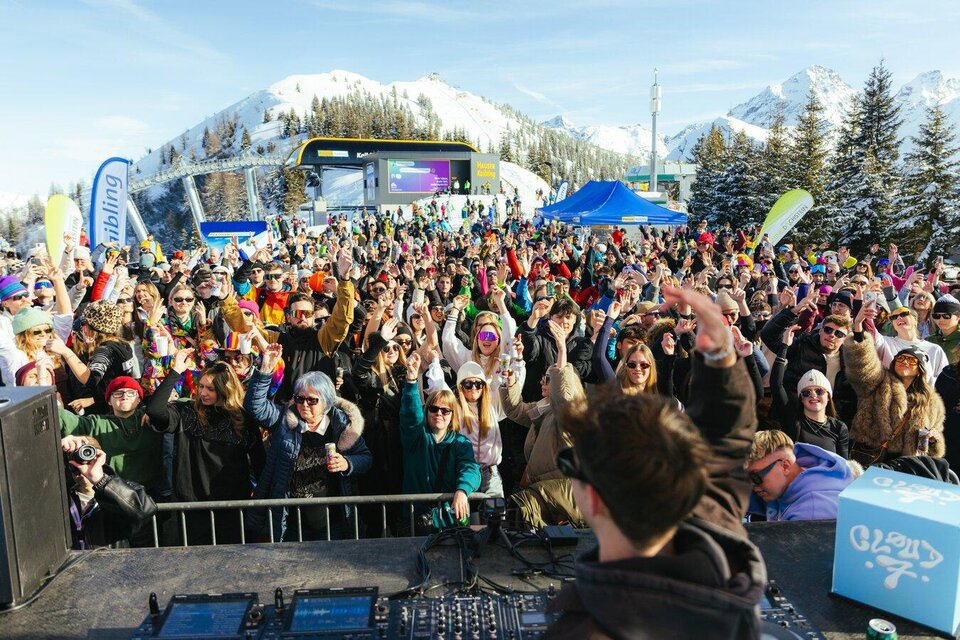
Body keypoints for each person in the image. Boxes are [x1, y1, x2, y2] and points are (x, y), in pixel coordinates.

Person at [544, 286, 764, 638]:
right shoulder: (719, 541)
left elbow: (726, 441)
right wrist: (720, 356)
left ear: (597, 499)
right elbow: (726, 441)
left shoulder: (589, 629)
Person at [244, 344, 371, 541]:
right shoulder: (284, 420)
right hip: (290, 522)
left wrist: (347, 464)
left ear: (327, 402)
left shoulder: (342, 426)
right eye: (299, 399)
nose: (304, 405)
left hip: (332, 524)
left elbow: (365, 458)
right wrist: (266, 369)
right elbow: (255, 407)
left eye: (312, 400)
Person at [146, 349, 264, 544]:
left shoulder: (243, 419)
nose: (202, 393)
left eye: (210, 389)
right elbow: (155, 410)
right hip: (191, 509)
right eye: (201, 386)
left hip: (232, 511)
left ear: (225, 390)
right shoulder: (186, 412)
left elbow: (260, 463)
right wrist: (176, 371)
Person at [844, 300, 947, 465]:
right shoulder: (879, 383)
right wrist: (857, 327)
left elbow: (933, 445)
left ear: (920, 369)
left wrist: (934, 441)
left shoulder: (931, 401)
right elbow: (862, 362)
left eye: (911, 360)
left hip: (907, 466)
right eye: (900, 358)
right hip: (872, 457)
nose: (904, 362)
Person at [399, 352, 480, 531]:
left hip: (447, 519)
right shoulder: (417, 437)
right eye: (434, 409)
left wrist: (462, 491)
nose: (439, 414)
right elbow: (411, 416)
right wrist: (411, 381)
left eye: (445, 410)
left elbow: (471, 468)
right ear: (427, 411)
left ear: (453, 415)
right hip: (414, 519)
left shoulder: (460, 442)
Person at [61, 435, 158, 549]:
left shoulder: (119, 492)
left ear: (99, 458)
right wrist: (56, 447)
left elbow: (144, 510)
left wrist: (100, 480)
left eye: (88, 458)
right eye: (76, 459)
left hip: (109, 564)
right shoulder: (61, 499)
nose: (83, 465)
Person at [770, 327, 850, 458]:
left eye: (819, 391)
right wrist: (784, 347)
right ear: (801, 398)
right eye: (806, 393)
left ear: (829, 397)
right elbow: (776, 385)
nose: (813, 395)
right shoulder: (793, 421)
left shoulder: (839, 428)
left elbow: (844, 465)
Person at [745, 430, 854, 521]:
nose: (751, 484)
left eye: (755, 477)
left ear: (785, 466)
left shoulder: (811, 513)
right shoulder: (789, 479)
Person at [453, 360, 503, 498]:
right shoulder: (454, 408)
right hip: (465, 471)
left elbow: (509, 392)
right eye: (468, 384)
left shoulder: (492, 406)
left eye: (478, 383)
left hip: (491, 473)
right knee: (466, 517)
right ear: (461, 387)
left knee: (496, 515)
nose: (474, 388)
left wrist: (516, 363)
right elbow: (438, 386)